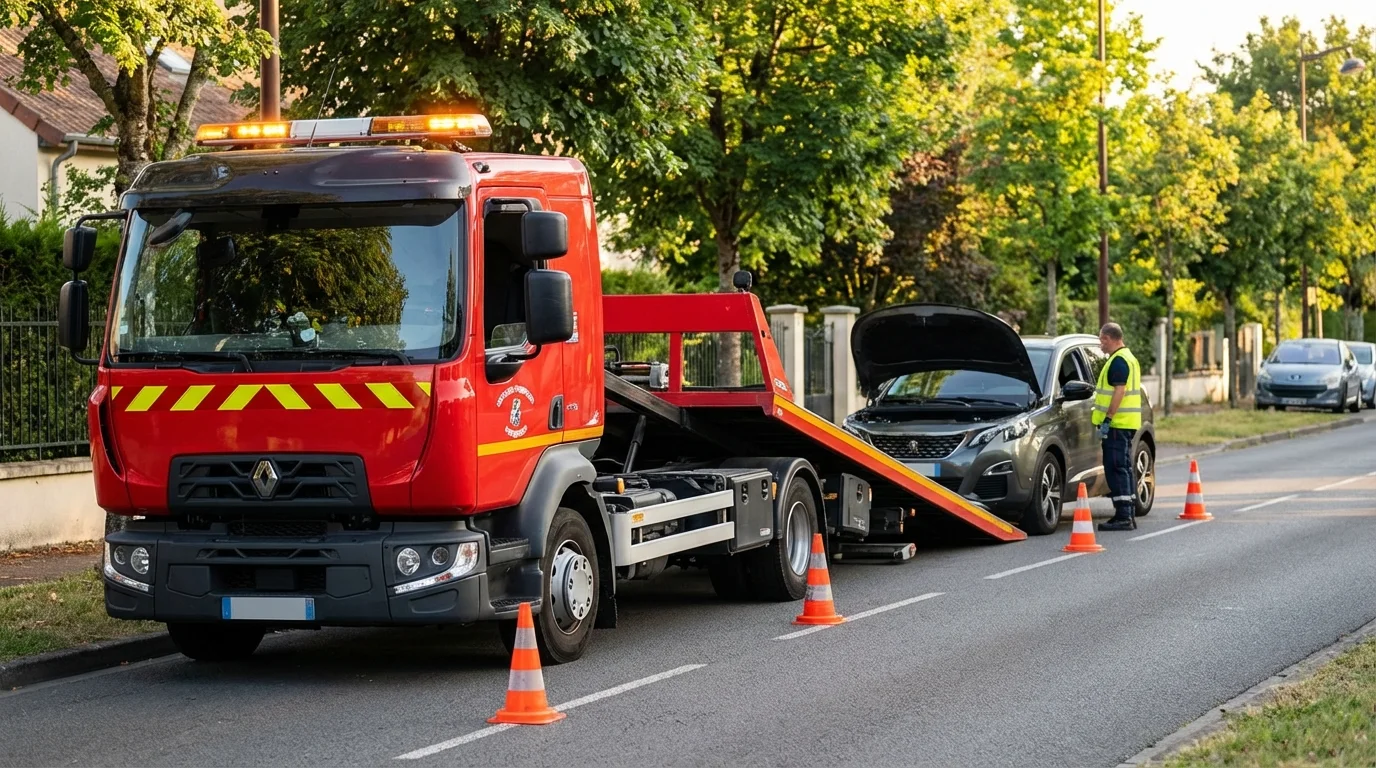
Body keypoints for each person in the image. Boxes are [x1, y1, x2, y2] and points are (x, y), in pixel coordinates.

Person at [1094, 323, 1143, 531]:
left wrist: (1108, 419)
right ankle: (1127, 512)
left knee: (1116, 467)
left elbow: (1119, 392)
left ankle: (1123, 515)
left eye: (1101, 340)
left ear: (1108, 338)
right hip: (1125, 424)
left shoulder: (1119, 361)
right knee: (1123, 466)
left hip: (1117, 425)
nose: (1100, 344)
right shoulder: (1128, 358)